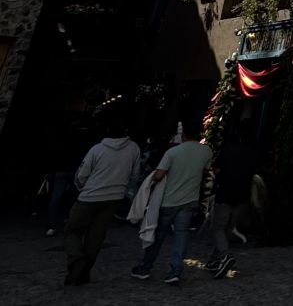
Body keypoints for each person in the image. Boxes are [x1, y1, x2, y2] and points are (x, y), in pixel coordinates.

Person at [130, 119, 211, 285]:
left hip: (169, 200)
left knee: (158, 236)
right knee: (181, 236)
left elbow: (159, 175)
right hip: (190, 199)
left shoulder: (173, 152)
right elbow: (206, 172)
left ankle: (145, 267)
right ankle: (175, 270)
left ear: (183, 133)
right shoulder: (206, 151)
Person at [64, 112, 140, 286]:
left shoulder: (97, 149)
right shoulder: (134, 148)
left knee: (72, 229)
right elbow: (135, 175)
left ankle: (77, 260)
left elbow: (82, 175)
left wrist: (82, 188)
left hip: (89, 196)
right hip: (114, 197)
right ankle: (83, 273)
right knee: (96, 236)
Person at [207, 121, 256, 278]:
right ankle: (214, 259)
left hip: (225, 193)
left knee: (218, 227)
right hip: (242, 196)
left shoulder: (228, 149)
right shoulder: (252, 152)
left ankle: (224, 256)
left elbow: (217, 169)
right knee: (227, 228)